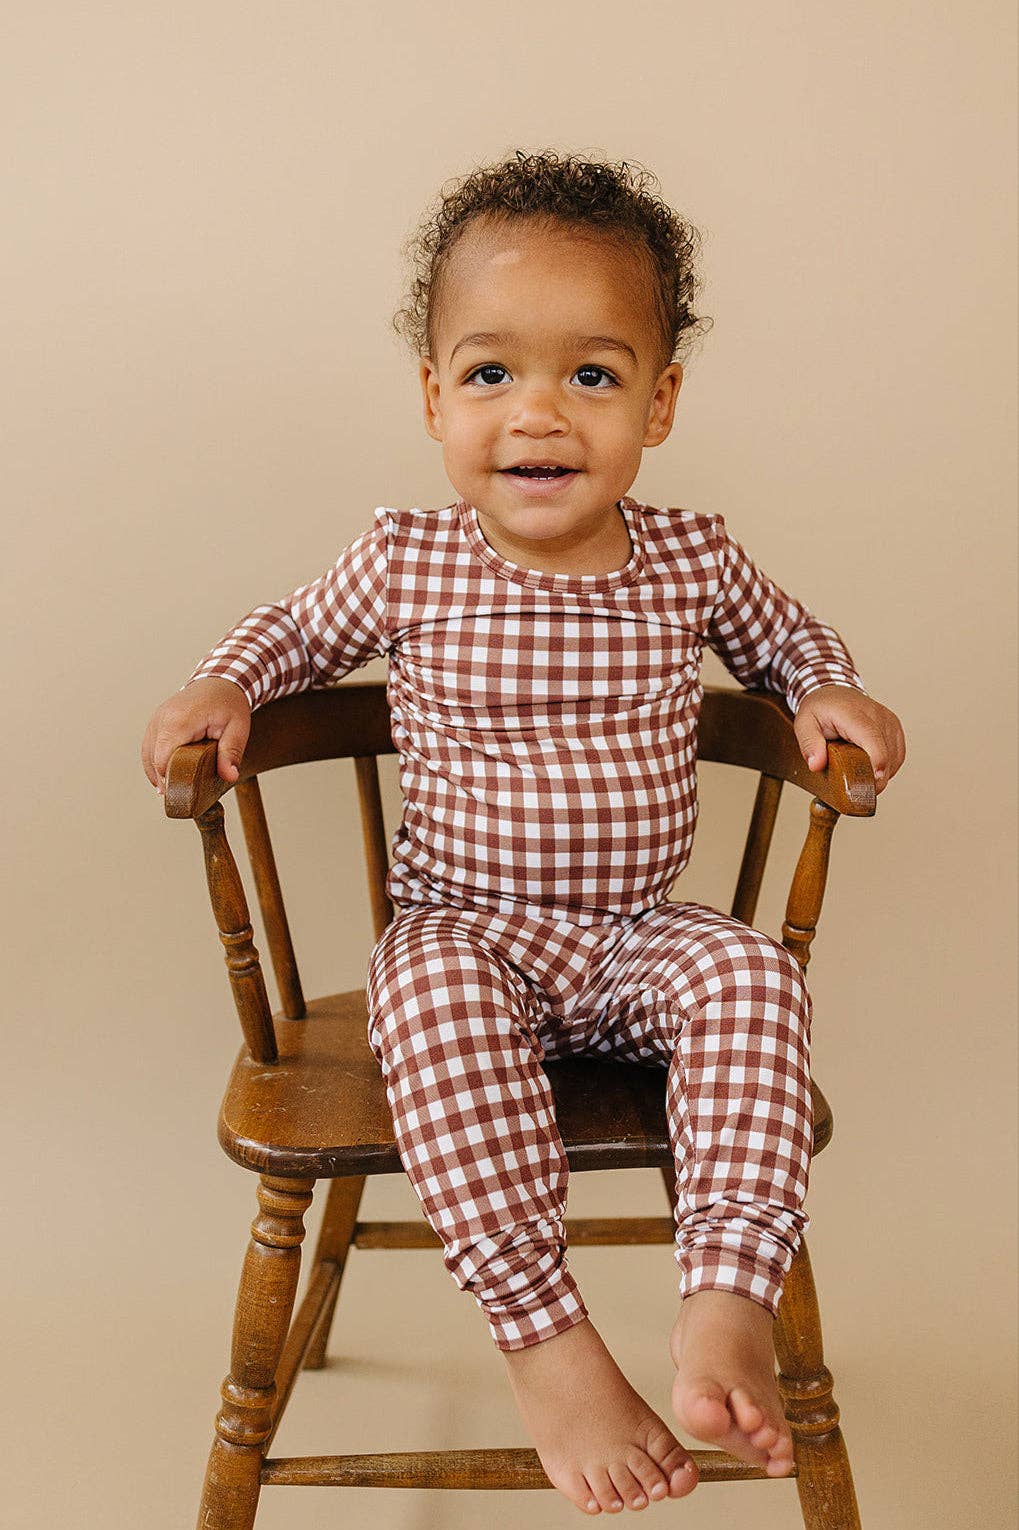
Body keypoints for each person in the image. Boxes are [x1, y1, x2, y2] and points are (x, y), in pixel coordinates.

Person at [141, 150, 905, 1516]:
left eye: (592, 375)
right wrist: (226, 683)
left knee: (750, 975)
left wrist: (824, 685)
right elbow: (295, 631)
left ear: (659, 402)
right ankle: (545, 1335)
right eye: (490, 372)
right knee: (424, 994)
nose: (537, 412)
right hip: (469, 935)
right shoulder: (409, 558)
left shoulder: (692, 559)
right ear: (435, 397)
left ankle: (727, 1290)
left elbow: (786, 637)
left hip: (635, 938)